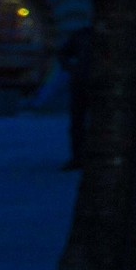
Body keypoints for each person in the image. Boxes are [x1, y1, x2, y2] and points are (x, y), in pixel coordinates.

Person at [55, 25, 93, 170]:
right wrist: (71, 68)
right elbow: (63, 53)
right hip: (80, 83)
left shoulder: (84, 34)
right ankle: (78, 157)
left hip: (99, 85)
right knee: (77, 123)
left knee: (92, 122)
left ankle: (88, 156)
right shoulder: (82, 34)